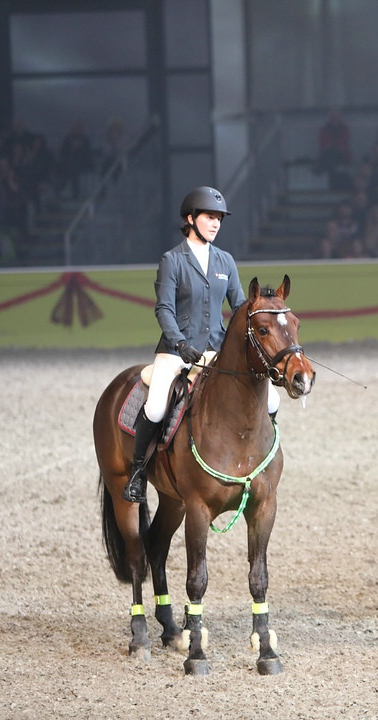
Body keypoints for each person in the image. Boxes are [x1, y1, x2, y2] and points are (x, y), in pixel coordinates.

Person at [122, 186, 280, 503]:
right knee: (155, 407)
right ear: (191, 219)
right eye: (210, 217)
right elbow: (164, 308)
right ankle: (138, 473)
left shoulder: (225, 261)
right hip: (176, 352)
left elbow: (240, 308)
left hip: (215, 352)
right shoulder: (173, 260)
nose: (216, 223)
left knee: (272, 400)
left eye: (219, 218)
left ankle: (259, 460)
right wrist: (179, 344)